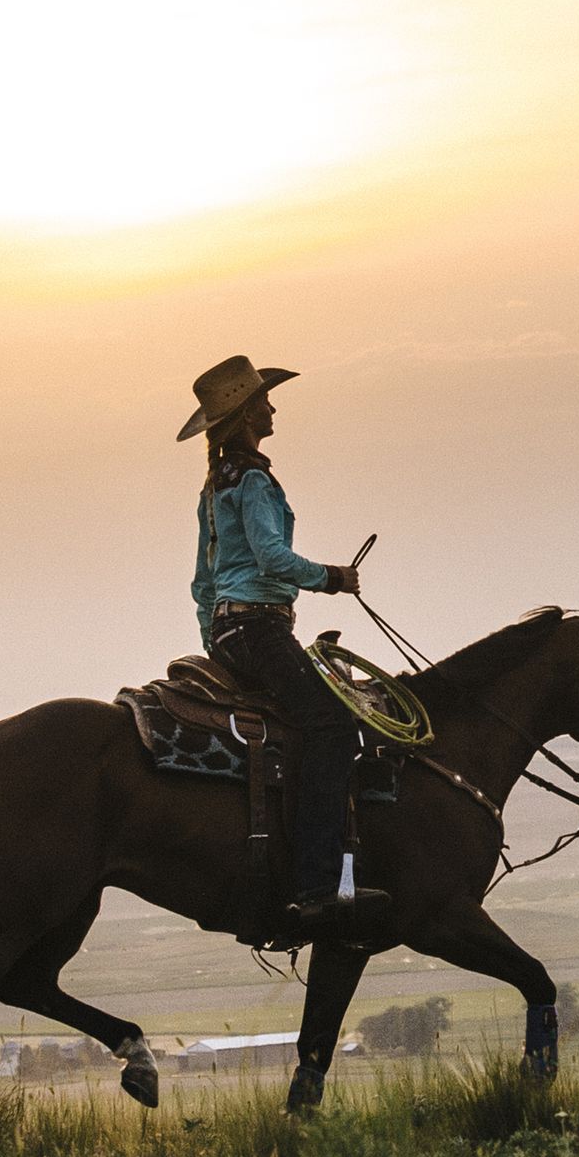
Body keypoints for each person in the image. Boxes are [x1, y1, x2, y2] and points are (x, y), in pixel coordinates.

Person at [179, 355, 368, 938]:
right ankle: (318, 885)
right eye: (263, 400)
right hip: (260, 626)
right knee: (334, 726)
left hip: (233, 631)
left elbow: (203, 582)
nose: (273, 406)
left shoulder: (216, 484)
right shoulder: (255, 481)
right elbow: (272, 559)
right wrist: (333, 577)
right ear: (244, 416)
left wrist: (216, 639)